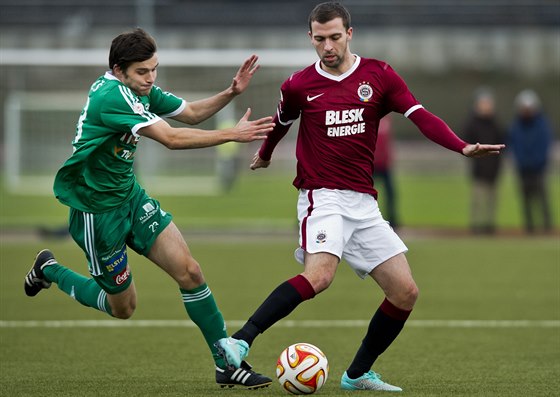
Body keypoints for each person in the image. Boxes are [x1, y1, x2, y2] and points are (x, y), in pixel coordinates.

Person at [214, 2, 504, 392]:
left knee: (405, 292)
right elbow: (281, 124)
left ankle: (357, 374)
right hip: (322, 196)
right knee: (319, 277)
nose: (328, 46)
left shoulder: (379, 75)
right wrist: (264, 156)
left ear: (350, 33)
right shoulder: (299, 85)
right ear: (310, 38)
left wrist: (462, 146)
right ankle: (239, 341)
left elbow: (420, 115)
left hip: (363, 202)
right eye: (320, 39)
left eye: (335, 37)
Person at [23, 28, 274, 389]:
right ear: (118, 69)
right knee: (123, 307)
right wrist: (231, 134)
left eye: (154, 69)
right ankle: (49, 269)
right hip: (97, 213)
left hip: (131, 198)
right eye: (143, 72)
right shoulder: (113, 96)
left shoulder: (136, 88)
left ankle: (227, 364)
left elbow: (187, 114)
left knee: (190, 272)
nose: (151, 78)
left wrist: (231, 92)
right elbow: (171, 138)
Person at [508, 89, 554, 234]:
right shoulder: (515, 126)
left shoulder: (542, 125)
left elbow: (544, 145)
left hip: (538, 169)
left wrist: (538, 162)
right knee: (525, 200)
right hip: (522, 169)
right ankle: (530, 228)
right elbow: (513, 145)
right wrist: (521, 161)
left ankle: (547, 227)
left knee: (542, 199)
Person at [462, 88, 505, 234]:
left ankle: (489, 225)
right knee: (478, 199)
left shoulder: (496, 123)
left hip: (493, 169)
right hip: (478, 169)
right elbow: (465, 143)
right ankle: (476, 225)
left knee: (491, 201)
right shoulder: (472, 123)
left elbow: (503, 144)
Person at [373, 115, 399, 229]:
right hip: (370, 165)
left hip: (384, 165)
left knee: (391, 193)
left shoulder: (387, 120)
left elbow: (388, 141)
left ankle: (392, 220)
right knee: (364, 195)